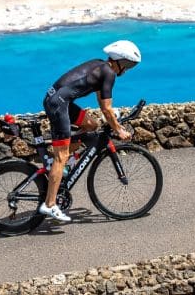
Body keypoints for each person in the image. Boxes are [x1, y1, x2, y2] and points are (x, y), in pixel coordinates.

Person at [39, 40, 142, 222]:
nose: (126, 71)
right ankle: (49, 204)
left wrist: (112, 118)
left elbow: (103, 102)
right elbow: (106, 109)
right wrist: (118, 129)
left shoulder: (101, 66)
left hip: (58, 100)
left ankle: (67, 159)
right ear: (119, 61)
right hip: (59, 105)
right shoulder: (109, 73)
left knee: (91, 126)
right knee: (59, 157)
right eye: (127, 65)